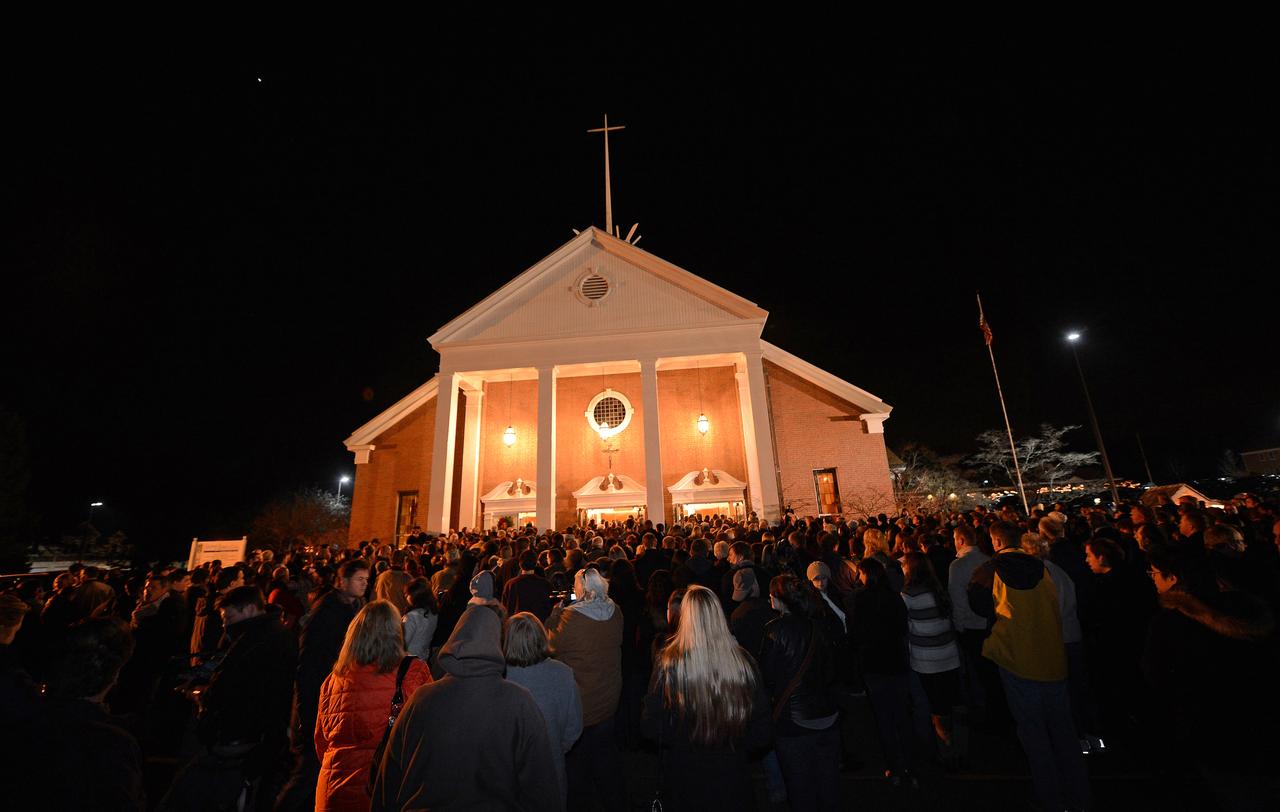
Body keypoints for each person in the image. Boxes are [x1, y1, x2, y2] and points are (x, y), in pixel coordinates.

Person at [370, 605, 560, 811]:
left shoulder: (422, 699)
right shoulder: (518, 702)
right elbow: (541, 785)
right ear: (498, 643)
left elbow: (389, 778)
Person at [968, 521, 1089, 812]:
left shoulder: (989, 572)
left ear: (996, 541)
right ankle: (1081, 797)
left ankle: (1050, 799)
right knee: (1064, 732)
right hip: (1052, 658)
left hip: (1015, 659)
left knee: (1034, 735)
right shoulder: (1047, 570)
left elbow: (978, 606)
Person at [160, 585, 298, 811]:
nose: (225, 625)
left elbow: (235, 688)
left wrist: (204, 697)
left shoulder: (256, 641)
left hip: (242, 736)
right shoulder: (267, 633)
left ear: (251, 609)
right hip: (258, 734)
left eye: (229, 617)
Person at [642, 584, 772, 811]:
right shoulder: (743, 662)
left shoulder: (668, 663)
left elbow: (652, 726)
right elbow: (762, 731)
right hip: (733, 777)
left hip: (685, 777)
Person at [314, 601, 432, 812]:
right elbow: (428, 734)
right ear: (396, 632)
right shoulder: (413, 672)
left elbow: (321, 741)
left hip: (332, 790)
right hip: (382, 790)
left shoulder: (333, 680)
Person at [277, 559, 369, 812]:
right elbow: (308, 665)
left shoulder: (355, 607)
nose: (364, 584)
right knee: (308, 769)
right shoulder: (324, 613)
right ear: (342, 581)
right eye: (359, 579)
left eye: (366, 579)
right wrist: (306, 711)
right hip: (318, 699)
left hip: (338, 697)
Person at [758, 573, 842, 810]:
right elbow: (833, 669)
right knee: (829, 785)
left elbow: (767, 675)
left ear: (779, 599)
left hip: (794, 721)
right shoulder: (820, 625)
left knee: (800, 788)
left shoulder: (775, 630)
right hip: (827, 713)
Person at [548, 567, 625, 811]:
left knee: (577, 764)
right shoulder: (616, 611)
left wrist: (554, 617)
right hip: (608, 695)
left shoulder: (571, 618)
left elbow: (551, 646)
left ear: (583, 588)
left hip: (582, 701)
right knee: (605, 758)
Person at [504, 612, 584, 808]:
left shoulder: (500, 677)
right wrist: (556, 746)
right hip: (551, 768)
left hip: (510, 773)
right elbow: (574, 726)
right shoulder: (563, 673)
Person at [850, 556, 917, 788]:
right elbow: (902, 628)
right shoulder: (894, 598)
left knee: (884, 718)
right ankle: (910, 764)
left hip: (874, 664)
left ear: (867, 575)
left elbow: (856, 633)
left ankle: (894, 766)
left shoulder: (861, 600)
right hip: (896, 661)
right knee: (901, 715)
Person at [900, 552, 966, 767]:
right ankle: (958, 748)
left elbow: (904, 625)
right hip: (948, 654)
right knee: (951, 703)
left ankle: (942, 752)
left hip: (926, 659)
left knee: (933, 707)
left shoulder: (909, 595)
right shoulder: (939, 591)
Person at [501, 550, 553, 621]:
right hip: (538, 624)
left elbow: (504, 608)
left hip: (516, 624)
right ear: (536, 564)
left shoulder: (511, 584)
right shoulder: (545, 584)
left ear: (520, 564)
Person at [401, 578, 438, 663]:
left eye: (407, 594)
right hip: (423, 658)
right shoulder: (433, 613)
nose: (406, 596)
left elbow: (403, 642)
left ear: (415, 596)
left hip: (409, 661)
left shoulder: (411, 617)